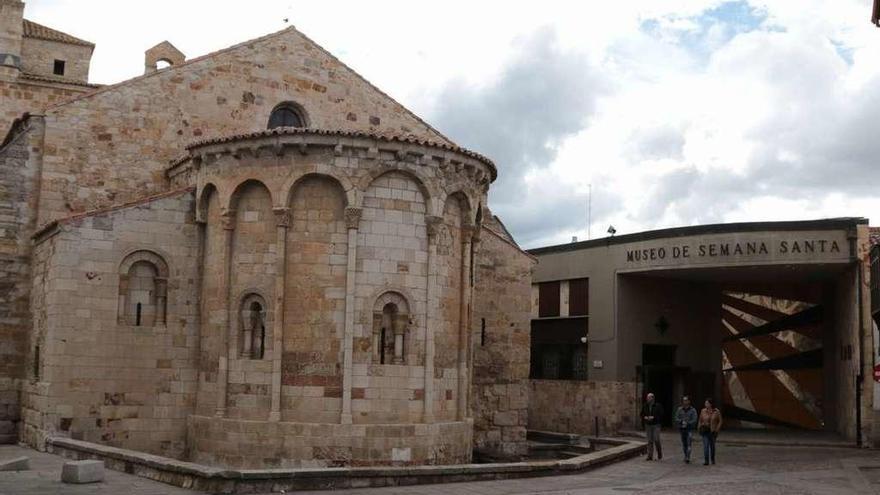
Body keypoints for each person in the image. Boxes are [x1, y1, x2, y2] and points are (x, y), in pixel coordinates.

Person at [673, 396, 698, 463]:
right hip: (682, 429)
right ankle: (685, 455)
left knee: (689, 443)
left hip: (689, 429)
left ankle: (688, 457)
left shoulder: (693, 410)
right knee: (684, 444)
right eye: (684, 400)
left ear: (689, 401)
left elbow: (695, 419)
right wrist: (681, 421)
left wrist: (688, 423)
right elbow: (676, 418)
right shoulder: (680, 409)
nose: (685, 402)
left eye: (686, 400)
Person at [698, 398, 722, 465]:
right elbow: (700, 420)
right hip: (705, 431)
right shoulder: (703, 411)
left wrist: (717, 429)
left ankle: (712, 459)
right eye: (705, 403)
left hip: (713, 431)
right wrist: (699, 427)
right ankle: (706, 460)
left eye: (707, 403)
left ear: (711, 404)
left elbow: (720, 421)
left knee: (712, 446)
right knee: (705, 446)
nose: (706, 404)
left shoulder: (716, 411)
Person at [641, 392, 664, 461]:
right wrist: (644, 417)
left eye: (649, 397)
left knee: (656, 439)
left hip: (656, 425)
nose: (647, 399)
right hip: (648, 425)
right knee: (649, 440)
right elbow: (641, 414)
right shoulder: (645, 405)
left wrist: (653, 417)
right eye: (647, 397)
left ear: (652, 398)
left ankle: (659, 453)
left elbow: (661, 414)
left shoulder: (658, 406)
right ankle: (650, 456)